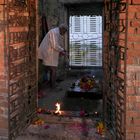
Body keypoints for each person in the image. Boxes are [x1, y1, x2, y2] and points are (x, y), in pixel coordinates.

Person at [38, 23, 68, 88]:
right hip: (48, 52)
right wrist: (62, 50)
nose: (64, 33)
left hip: (51, 52)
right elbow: (54, 45)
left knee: (52, 69)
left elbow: (58, 44)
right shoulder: (54, 32)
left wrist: (62, 50)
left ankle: (52, 83)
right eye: (64, 31)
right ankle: (53, 85)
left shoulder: (57, 33)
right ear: (62, 29)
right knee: (53, 69)